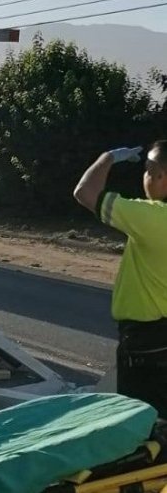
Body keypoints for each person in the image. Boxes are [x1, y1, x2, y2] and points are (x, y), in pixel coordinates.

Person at [74, 141, 167, 416]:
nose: (145, 177)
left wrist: (108, 157)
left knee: (141, 422)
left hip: (146, 343)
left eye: (148, 169)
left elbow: (85, 192)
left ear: (161, 176)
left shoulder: (153, 217)